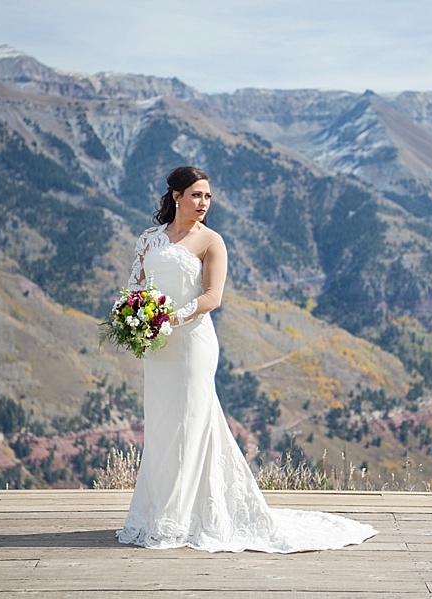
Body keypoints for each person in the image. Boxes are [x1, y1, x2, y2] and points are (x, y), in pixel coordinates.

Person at [116, 166, 377, 552]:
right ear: (176, 196)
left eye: (207, 196)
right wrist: (134, 316)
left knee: (189, 426)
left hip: (191, 343)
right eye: (195, 195)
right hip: (157, 347)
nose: (203, 203)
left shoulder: (212, 241)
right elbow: (134, 287)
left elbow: (212, 298)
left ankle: (176, 520)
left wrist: (167, 318)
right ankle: (157, 512)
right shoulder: (148, 239)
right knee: (161, 425)